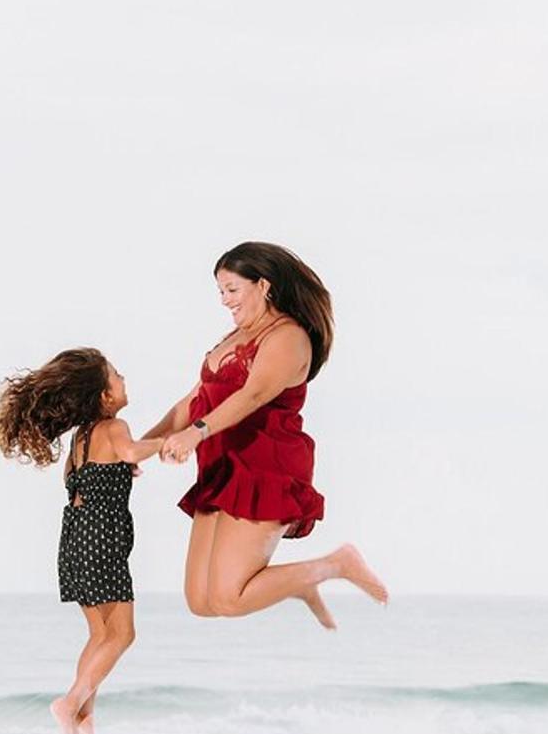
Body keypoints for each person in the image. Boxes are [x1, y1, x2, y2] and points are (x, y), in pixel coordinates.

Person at [145, 242, 388, 630]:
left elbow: (254, 394)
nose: (225, 301)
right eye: (221, 292)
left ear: (263, 285)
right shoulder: (231, 338)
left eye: (232, 290)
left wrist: (196, 433)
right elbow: (192, 399)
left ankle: (334, 564)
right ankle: (298, 584)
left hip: (262, 464)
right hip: (221, 466)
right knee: (201, 602)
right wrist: (143, 448)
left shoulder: (288, 337)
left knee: (227, 597)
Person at [0, 348, 163, 734]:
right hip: (103, 540)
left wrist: (119, 467)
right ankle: (69, 705)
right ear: (103, 395)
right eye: (117, 375)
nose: (124, 378)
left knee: (100, 636)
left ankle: (82, 727)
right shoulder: (116, 425)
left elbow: (75, 478)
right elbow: (132, 452)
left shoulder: (82, 437)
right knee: (122, 635)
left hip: (75, 540)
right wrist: (164, 443)